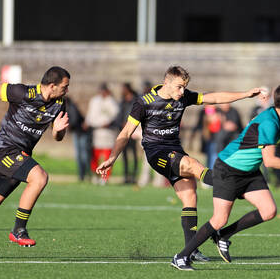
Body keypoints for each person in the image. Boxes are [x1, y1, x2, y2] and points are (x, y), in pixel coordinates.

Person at [96, 66, 263, 262]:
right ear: (166, 83)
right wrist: (112, 158)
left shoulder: (183, 97)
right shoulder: (144, 103)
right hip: (157, 153)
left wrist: (245, 94)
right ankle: (232, 183)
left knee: (190, 196)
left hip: (175, 151)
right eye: (179, 87)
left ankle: (191, 250)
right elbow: (125, 133)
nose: (182, 91)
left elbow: (214, 98)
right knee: (193, 164)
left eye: (185, 87)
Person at [172, 83, 280, 271]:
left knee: (269, 210)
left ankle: (224, 235)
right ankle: (181, 257)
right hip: (228, 169)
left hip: (249, 172)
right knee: (219, 219)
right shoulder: (270, 122)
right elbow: (269, 161)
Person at [0, 66, 70, 247]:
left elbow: (58, 138)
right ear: (51, 85)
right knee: (39, 177)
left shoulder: (59, 104)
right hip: (5, 150)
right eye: (64, 86)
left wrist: (58, 131)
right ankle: (18, 230)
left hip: (21, 155)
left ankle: (17, 230)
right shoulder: (23, 92)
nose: (67, 90)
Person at [85, 83, 119, 181]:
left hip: (108, 133)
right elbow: (90, 114)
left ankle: (105, 177)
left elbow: (115, 114)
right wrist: (87, 122)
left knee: (108, 156)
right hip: (97, 132)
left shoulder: (111, 101)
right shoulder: (95, 100)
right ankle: (95, 175)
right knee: (95, 156)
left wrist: (108, 122)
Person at [65, 96, 92, 181]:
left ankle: (86, 174)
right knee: (80, 155)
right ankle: (82, 175)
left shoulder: (71, 107)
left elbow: (74, 120)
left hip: (81, 133)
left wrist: (69, 125)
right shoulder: (69, 107)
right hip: (77, 133)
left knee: (83, 155)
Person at [117, 83, 138, 184]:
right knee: (124, 155)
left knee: (134, 155)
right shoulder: (123, 102)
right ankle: (126, 177)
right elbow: (119, 115)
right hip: (124, 131)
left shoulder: (136, 100)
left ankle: (134, 176)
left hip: (133, 132)